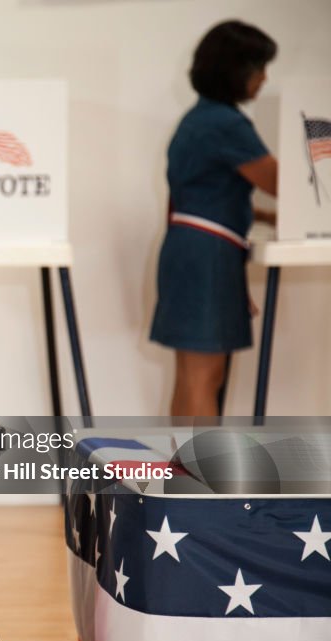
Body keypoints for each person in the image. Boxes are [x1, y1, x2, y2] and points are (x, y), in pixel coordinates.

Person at [149, 20, 278, 417]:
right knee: (206, 377)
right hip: (209, 259)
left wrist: (260, 214)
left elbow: (211, 195)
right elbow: (279, 181)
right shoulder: (227, 123)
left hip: (189, 251)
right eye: (259, 67)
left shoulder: (198, 119)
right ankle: (203, 477)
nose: (263, 78)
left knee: (191, 375)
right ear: (237, 71)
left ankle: (179, 470)